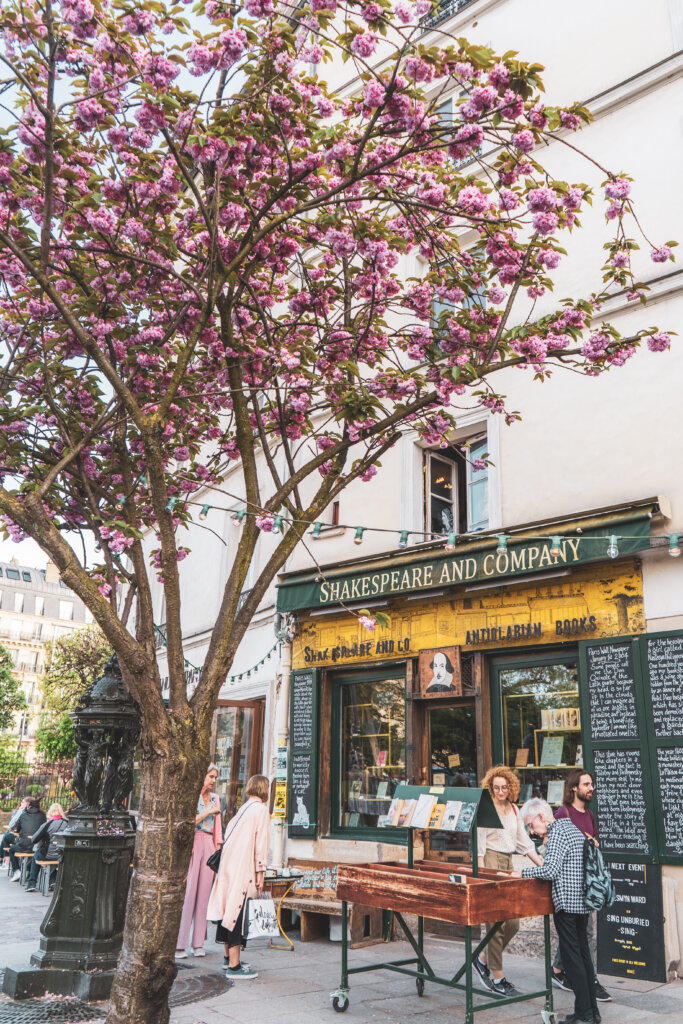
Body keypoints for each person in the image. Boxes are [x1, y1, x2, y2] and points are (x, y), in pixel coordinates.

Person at [516, 798, 600, 1024]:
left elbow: (551, 870)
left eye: (531, 825)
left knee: (573, 961)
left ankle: (584, 1015)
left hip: (567, 903)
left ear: (542, 817)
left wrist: (521, 874)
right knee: (583, 957)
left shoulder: (557, 832)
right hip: (582, 903)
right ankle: (591, 1012)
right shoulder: (570, 827)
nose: (531, 831)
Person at [473, 766, 543, 997]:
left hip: (508, 864)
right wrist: (483, 875)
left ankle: (481, 958)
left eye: (504, 787)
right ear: (490, 788)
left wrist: (542, 864)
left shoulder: (514, 809)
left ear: (510, 787)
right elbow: (479, 845)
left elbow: (524, 843)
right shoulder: (486, 808)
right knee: (496, 925)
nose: (500, 791)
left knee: (512, 923)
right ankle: (498, 978)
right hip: (491, 862)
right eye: (496, 788)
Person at [551, 770, 611, 1002]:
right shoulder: (563, 814)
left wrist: (594, 843)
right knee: (583, 933)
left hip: (588, 880)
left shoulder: (590, 815)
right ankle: (590, 980)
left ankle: (558, 970)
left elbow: (593, 843)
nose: (591, 788)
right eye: (586, 784)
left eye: (592, 784)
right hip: (569, 883)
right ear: (574, 788)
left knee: (581, 933)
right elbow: (553, 845)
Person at [207, 774, 270, 981]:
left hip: (228, 865)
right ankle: (234, 966)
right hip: (243, 868)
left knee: (226, 909)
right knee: (237, 913)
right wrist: (261, 871)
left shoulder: (243, 809)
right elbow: (261, 843)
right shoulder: (260, 810)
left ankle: (228, 957)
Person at [176, 764, 222, 959]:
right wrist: (207, 813)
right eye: (210, 776)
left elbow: (218, 829)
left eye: (215, 778)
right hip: (193, 843)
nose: (213, 780)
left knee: (204, 896)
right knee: (188, 895)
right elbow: (187, 821)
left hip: (209, 844)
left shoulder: (215, 799)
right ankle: (180, 944)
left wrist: (217, 854)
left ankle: (198, 943)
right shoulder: (191, 796)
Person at [25, 803, 68, 892]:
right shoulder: (67, 824)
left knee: (36, 856)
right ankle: (52, 881)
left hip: (48, 855)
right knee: (53, 858)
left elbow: (34, 839)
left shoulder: (47, 824)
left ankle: (31, 883)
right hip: (63, 855)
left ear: (50, 812)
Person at [8, 797, 46, 881]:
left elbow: (17, 829)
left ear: (28, 806)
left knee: (11, 849)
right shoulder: (43, 816)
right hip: (36, 846)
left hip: (23, 846)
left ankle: (17, 871)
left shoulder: (23, 814)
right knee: (35, 852)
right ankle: (28, 871)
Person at [0, 797, 29, 865]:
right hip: (16, 832)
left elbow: (11, 824)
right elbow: (12, 821)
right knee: (6, 835)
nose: (21, 803)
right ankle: (3, 859)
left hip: (20, 836)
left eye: (23, 802)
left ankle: (4, 860)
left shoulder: (22, 812)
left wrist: (19, 811)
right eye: (21, 802)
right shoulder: (16, 811)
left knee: (6, 838)